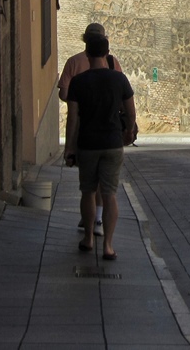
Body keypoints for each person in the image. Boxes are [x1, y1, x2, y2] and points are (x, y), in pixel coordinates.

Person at [64, 34, 136, 260]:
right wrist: (128, 132)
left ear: (86, 53)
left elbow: (73, 119)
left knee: (87, 192)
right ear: (107, 53)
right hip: (112, 143)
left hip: (88, 144)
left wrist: (70, 148)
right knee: (110, 194)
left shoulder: (78, 82)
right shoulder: (119, 79)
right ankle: (108, 245)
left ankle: (87, 239)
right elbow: (131, 112)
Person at [59, 23, 123, 236]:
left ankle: (89, 228)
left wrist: (69, 146)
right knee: (108, 190)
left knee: (88, 186)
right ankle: (100, 225)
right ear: (105, 45)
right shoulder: (113, 65)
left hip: (84, 134)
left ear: (85, 43)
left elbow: (65, 96)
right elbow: (124, 99)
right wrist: (129, 129)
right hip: (111, 136)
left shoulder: (74, 63)